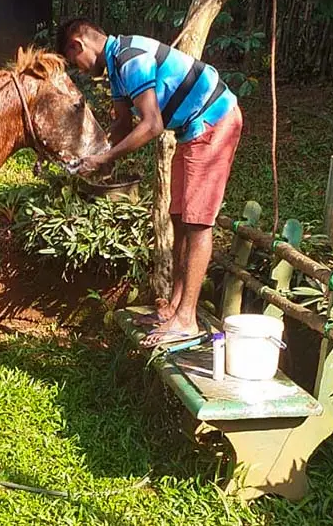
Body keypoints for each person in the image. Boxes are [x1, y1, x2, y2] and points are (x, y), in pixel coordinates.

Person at [56, 18, 243, 348]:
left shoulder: (132, 59)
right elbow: (123, 124)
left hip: (214, 121)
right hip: (190, 131)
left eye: (75, 62)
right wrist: (88, 157)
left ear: (77, 45)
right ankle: (174, 309)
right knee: (179, 218)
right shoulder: (116, 68)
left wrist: (105, 158)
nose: (80, 70)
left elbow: (152, 125)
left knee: (198, 222)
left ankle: (186, 320)